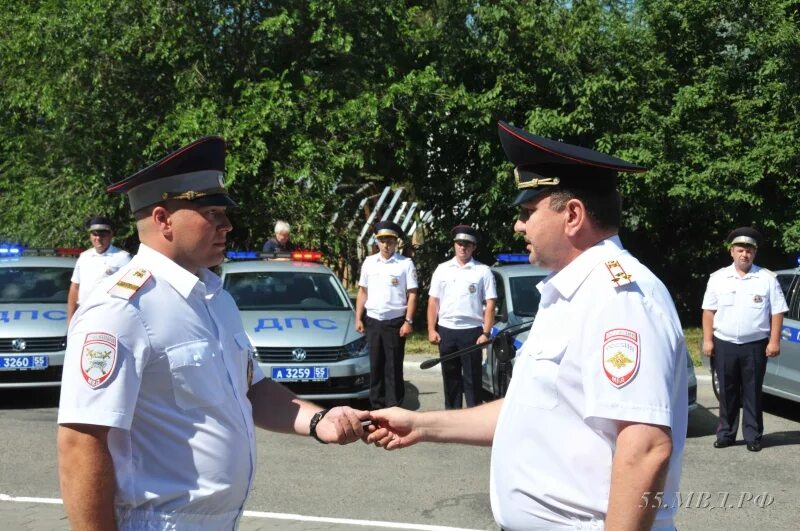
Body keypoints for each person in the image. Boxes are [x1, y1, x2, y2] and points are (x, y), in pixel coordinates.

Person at [367, 120, 688, 531]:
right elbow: (528, 411)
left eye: (527, 212)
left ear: (573, 215)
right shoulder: (570, 291)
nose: (519, 225)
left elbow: (645, 447)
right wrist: (421, 424)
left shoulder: (619, 296)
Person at [57, 137, 370, 530]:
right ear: (162, 220)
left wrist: (317, 420)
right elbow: (80, 442)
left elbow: (252, 389)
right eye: (211, 212)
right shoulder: (121, 309)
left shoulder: (215, 298)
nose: (227, 224)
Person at [701, 227, 787, 452]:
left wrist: (774, 341)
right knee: (726, 392)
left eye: (749, 251)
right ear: (732, 252)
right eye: (740, 250)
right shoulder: (718, 278)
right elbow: (708, 311)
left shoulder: (767, 279)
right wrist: (708, 340)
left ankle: (753, 436)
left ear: (754, 253)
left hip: (755, 345)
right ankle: (726, 434)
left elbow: (777, 312)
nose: (744, 255)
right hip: (724, 343)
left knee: (753, 391)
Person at [427, 224, 497, 409]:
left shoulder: (483, 271)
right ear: (454, 245)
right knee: (450, 377)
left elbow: (490, 304)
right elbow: (433, 301)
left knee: (472, 378)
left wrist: (486, 333)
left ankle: (473, 415)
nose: (462, 247)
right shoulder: (442, 269)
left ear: (474, 247)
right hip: (447, 330)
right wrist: (431, 329)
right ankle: (452, 414)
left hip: (471, 332)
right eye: (459, 243)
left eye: (467, 244)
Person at [355, 221, 418, 409]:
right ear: (377, 242)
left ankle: (394, 406)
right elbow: (363, 292)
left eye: (389, 241)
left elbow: (412, 294)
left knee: (393, 367)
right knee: (375, 365)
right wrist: (358, 317)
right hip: (373, 320)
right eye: (382, 241)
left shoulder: (405, 264)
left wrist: (408, 321)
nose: (385, 245)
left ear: (396, 242)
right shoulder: (369, 262)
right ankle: (376, 406)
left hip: (395, 322)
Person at [66, 216, 131, 323]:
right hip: (84, 315)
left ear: (110, 235)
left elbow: (130, 291)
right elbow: (75, 288)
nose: (98, 238)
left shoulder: (123, 258)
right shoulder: (84, 257)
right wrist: (70, 318)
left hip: (110, 316)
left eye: (102, 235)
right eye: (94, 234)